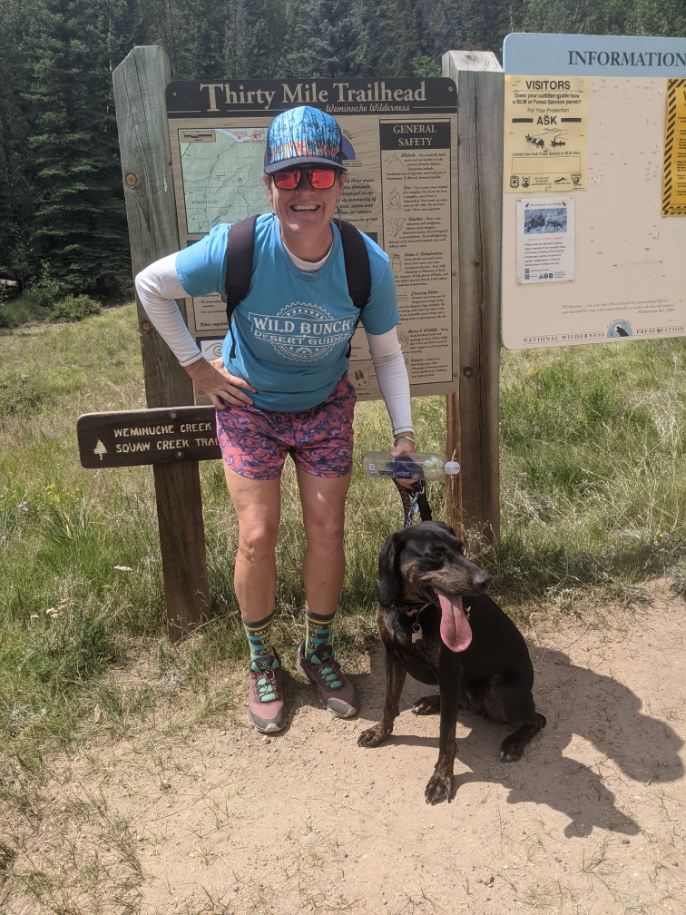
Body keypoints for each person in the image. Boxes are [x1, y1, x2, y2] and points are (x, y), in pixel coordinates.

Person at [135, 105, 415, 733]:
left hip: (324, 409)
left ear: (340, 182)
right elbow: (150, 284)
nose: (303, 191)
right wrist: (198, 370)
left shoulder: (367, 262)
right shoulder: (239, 247)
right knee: (257, 536)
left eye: (318, 176)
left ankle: (316, 651)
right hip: (250, 410)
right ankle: (261, 660)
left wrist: (403, 434)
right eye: (288, 177)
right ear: (269, 184)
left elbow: (389, 354)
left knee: (328, 530)